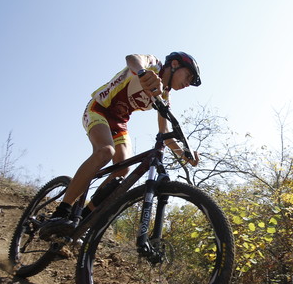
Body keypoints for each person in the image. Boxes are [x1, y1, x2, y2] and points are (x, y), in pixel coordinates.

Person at [40, 52, 202, 238]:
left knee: (123, 169)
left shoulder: (164, 95)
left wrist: (184, 155)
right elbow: (132, 58)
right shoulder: (153, 65)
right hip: (99, 109)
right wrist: (142, 72)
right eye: (188, 76)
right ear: (174, 64)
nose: (188, 83)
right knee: (105, 151)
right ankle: (61, 212)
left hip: (119, 123)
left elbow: (165, 134)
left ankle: (83, 220)